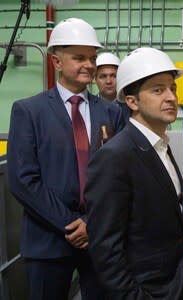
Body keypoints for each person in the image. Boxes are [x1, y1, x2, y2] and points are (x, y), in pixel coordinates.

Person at [7, 18, 125, 300]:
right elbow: (23, 180)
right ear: (56, 62)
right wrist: (71, 224)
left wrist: (90, 222)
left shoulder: (112, 113)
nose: (88, 64)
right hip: (47, 240)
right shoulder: (29, 111)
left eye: (92, 58)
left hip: (99, 238)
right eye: (79, 57)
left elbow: (119, 177)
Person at [85, 47, 183, 300]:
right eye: (158, 90)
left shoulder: (159, 145)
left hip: (172, 283)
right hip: (145, 290)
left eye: (172, 88)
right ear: (131, 101)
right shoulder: (115, 157)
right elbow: (105, 248)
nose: (171, 97)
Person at [95, 52, 130, 122]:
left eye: (114, 76)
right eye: (103, 76)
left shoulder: (131, 106)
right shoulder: (89, 107)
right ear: (95, 79)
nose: (108, 81)